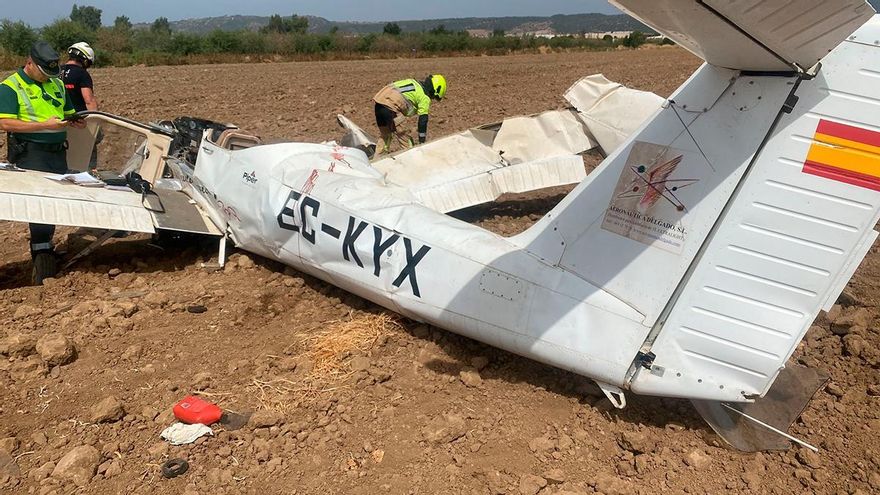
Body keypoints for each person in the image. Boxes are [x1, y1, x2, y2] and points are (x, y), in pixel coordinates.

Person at [0, 41, 83, 285]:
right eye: (43, 72)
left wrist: (75, 120)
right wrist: (44, 126)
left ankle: (45, 249)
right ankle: (42, 256)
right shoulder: (10, 87)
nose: (48, 77)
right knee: (39, 205)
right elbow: (5, 123)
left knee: (54, 201)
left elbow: (66, 111)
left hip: (57, 152)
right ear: (29, 63)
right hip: (30, 152)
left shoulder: (56, 82)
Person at [372, 74, 446, 154]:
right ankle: (414, 162)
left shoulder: (414, 83)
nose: (432, 99)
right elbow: (423, 120)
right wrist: (422, 141)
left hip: (379, 105)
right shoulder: (424, 97)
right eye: (434, 97)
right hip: (391, 108)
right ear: (435, 90)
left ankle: (376, 161)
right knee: (406, 140)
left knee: (386, 136)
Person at [60, 42, 100, 169]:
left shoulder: (56, 71)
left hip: (58, 122)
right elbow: (88, 100)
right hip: (78, 122)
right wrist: (96, 123)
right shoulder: (82, 74)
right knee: (87, 158)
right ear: (85, 59)